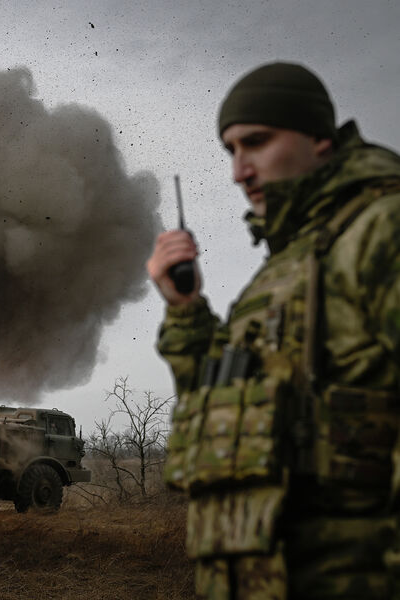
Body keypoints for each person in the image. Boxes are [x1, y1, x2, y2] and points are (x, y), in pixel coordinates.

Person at [147, 62, 400, 599]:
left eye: (256, 143)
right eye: (231, 151)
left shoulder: (381, 228)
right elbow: (219, 415)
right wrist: (186, 311)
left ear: (320, 138)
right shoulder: (285, 268)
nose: (240, 171)